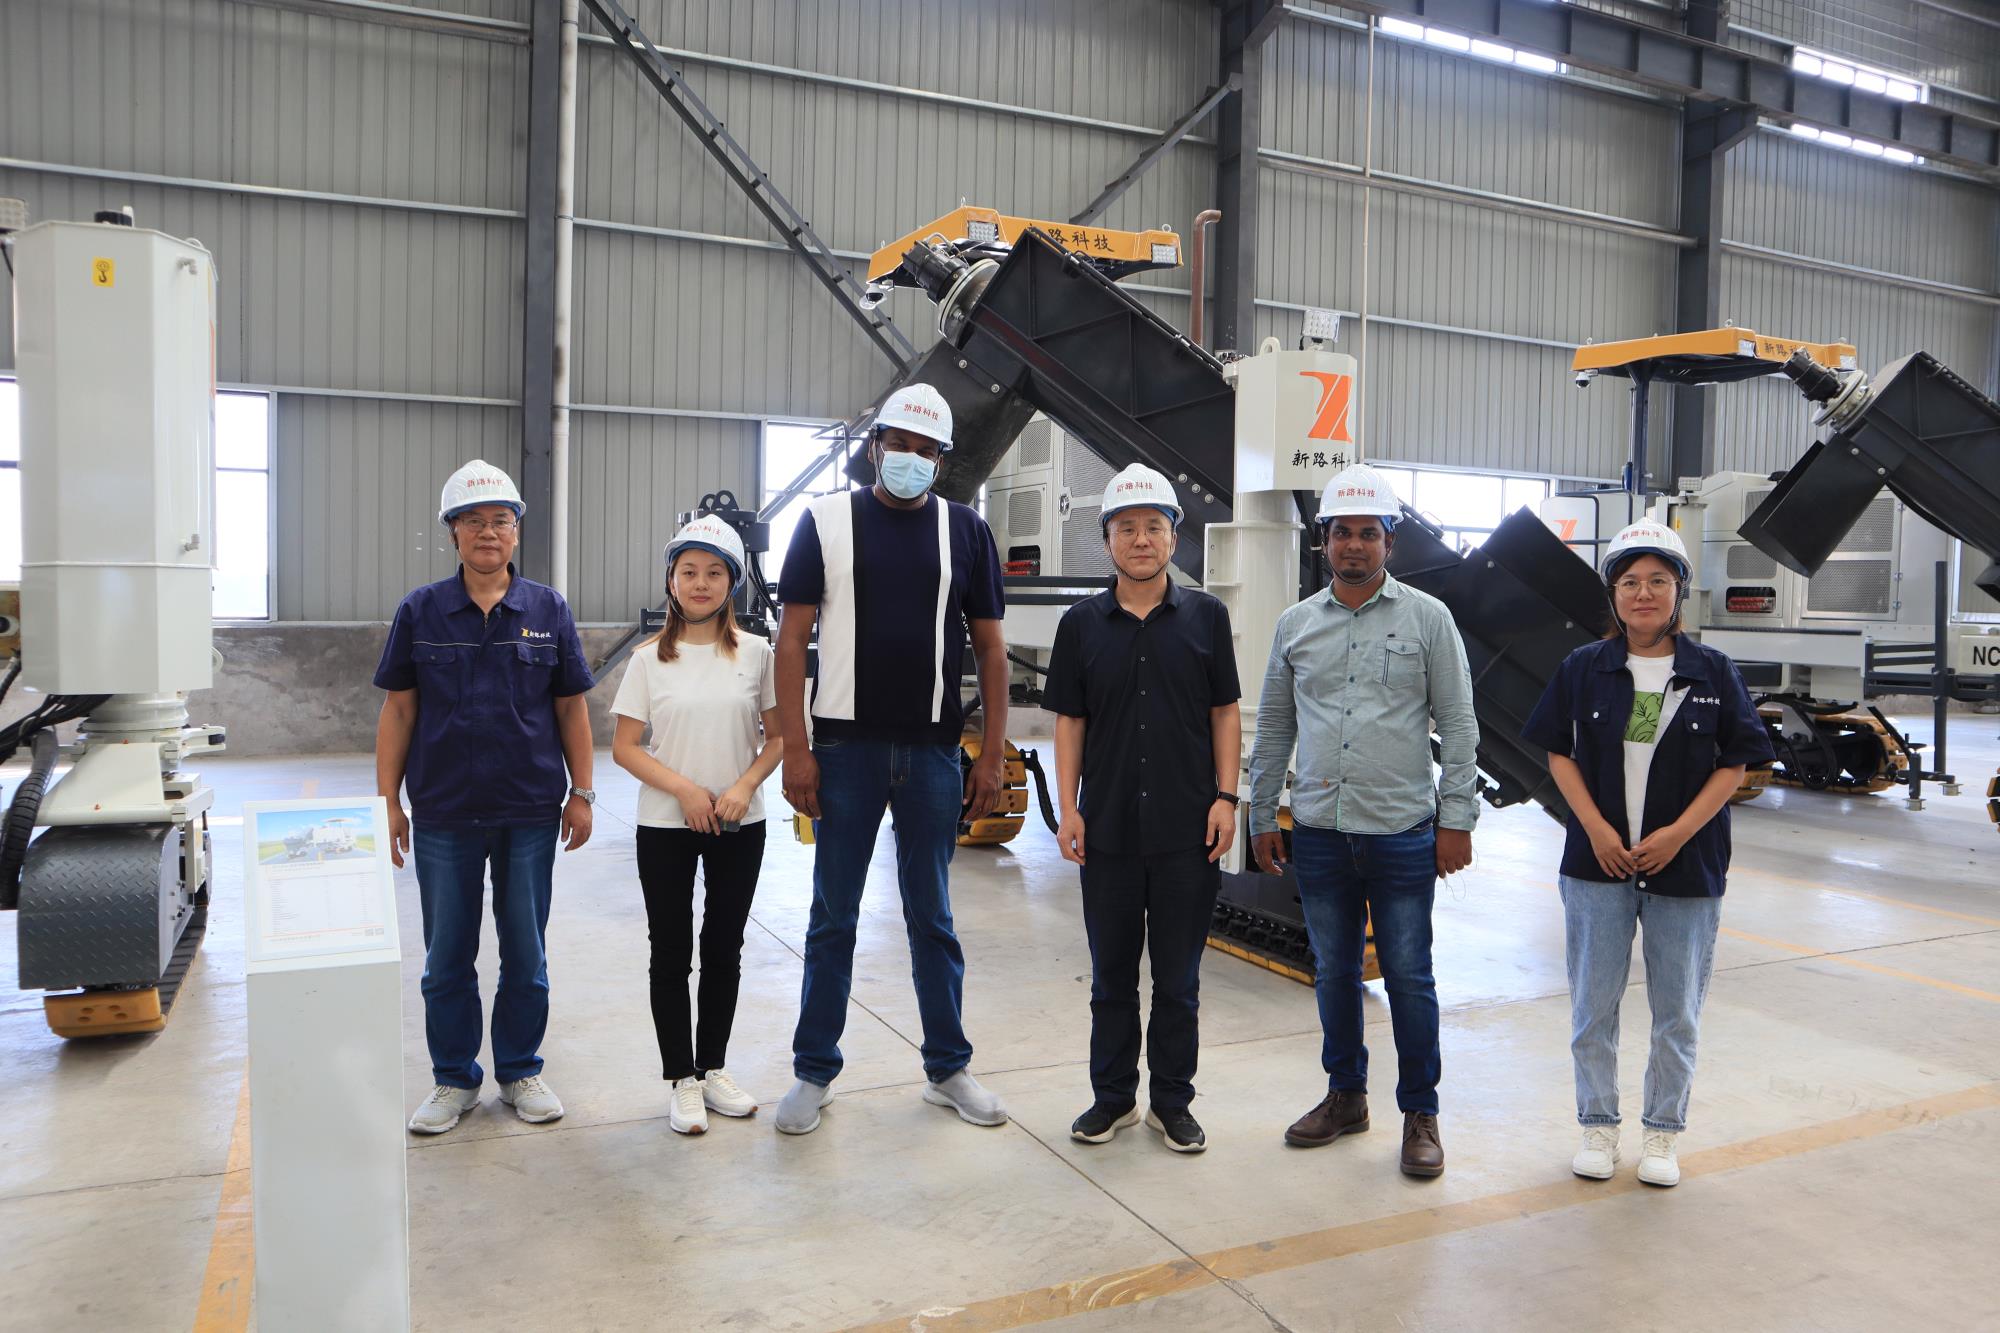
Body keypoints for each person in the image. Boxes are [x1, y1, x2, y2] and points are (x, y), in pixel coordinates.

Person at [771, 383, 1013, 1135]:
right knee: (832, 916)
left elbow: (991, 649)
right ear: (875, 447)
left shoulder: (966, 530)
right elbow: (791, 641)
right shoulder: (824, 521)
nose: (911, 459)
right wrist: (797, 749)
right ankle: (814, 1071)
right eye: (899, 445)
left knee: (932, 914)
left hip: (934, 752)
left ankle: (948, 1068)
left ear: (943, 459)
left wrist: (990, 755)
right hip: (844, 751)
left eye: (926, 450)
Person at [1522, 520, 1773, 1188]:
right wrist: (1597, 830)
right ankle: (1598, 1128)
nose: (1643, 593)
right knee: (1592, 1007)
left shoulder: (1712, 671)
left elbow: (1737, 762)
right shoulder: (1584, 668)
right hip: (1597, 865)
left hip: (1685, 867)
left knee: (1677, 1012)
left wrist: (1679, 833)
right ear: (1613, 594)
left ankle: (1662, 1134)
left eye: (1658, 580)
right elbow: (1557, 752)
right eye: (1630, 581)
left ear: (1679, 591)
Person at [1247, 463, 1478, 1178]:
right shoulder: (1295, 625)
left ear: (1390, 541)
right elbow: (1275, 725)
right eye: (1342, 532)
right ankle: (1346, 1095)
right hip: (1319, 830)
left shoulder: (1429, 619)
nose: (1354, 544)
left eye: (1368, 533)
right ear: (1323, 541)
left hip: (1403, 831)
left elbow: (1458, 725)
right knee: (1334, 974)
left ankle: (1421, 1112)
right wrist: (1261, 811)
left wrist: (1457, 817)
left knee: (1409, 976)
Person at [375, 459, 597, 1135]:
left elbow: (572, 710)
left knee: (526, 953)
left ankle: (520, 1069)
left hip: (529, 810)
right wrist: (389, 802)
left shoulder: (548, 610)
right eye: (473, 521)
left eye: (500, 520)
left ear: (517, 530)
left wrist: (583, 792)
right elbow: (399, 711)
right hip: (444, 813)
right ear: (453, 532)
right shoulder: (420, 610)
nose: (488, 532)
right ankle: (453, 1079)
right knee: (447, 957)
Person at [1043, 465, 1242, 1154]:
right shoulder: (1080, 625)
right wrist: (1069, 808)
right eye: (1126, 528)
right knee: (1111, 979)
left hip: (1189, 831)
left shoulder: (1207, 617)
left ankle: (1172, 1103)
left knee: (1179, 981)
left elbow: (1224, 711)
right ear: (1107, 540)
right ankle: (1113, 1099)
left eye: (1153, 527)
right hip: (1108, 831)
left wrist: (1227, 797)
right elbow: (1069, 721)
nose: (1140, 539)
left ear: (1173, 538)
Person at [610, 514, 783, 1137]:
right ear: (671, 581)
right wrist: (684, 790)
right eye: (689, 572)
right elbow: (625, 747)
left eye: (714, 572)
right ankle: (680, 1078)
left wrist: (743, 786)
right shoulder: (647, 661)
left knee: (724, 947)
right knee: (670, 950)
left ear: (731, 582)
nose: (701, 583)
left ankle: (712, 1068)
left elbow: (780, 737)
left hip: (739, 821)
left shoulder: (757, 653)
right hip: (665, 824)